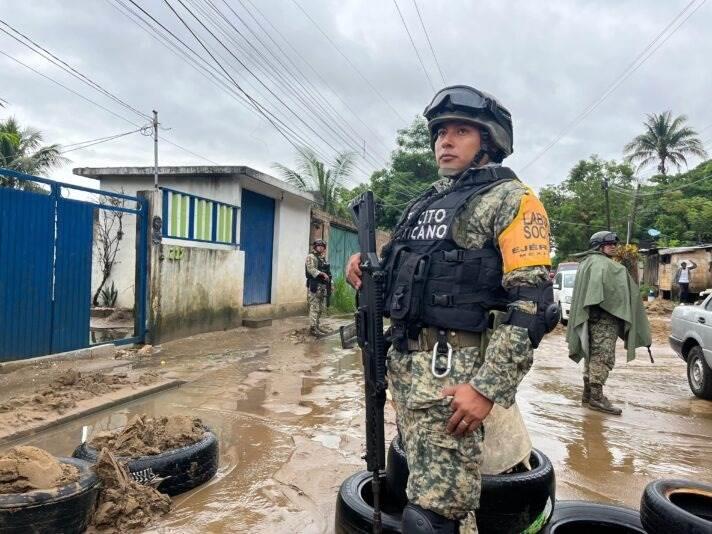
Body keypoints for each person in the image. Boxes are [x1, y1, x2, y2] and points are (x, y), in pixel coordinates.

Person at [346, 85, 557, 533]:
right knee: (419, 493)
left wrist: (485, 389)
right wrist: (367, 270)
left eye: (461, 131)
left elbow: (532, 306)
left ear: (489, 141)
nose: (446, 140)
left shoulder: (512, 199)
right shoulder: (424, 203)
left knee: (434, 516)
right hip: (406, 371)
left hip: (454, 382)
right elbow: (403, 278)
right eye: (441, 131)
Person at [566, 231, 652, 415]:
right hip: (604, 321)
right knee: (602, 358)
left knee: (591, 355)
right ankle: (597, 399)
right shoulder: (605, 265)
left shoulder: (586, 263)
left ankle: (588, 396)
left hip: (589, 319)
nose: (614, 246)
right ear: (599, 246)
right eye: (609, 243)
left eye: (615, 243)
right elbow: (612, 294)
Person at [305, 239, 330, 336]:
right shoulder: (311, 257)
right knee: (314, 307)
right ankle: (312, 329)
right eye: (319, 246)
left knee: (320, 307)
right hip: (314, 284)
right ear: (315, 247)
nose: (321, 247)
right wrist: (321, 273)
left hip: (322, 285)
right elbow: (310, 269)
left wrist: (330, 283)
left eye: (322, 246)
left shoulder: (322, 258)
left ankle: (317, 326)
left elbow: (327, 273)